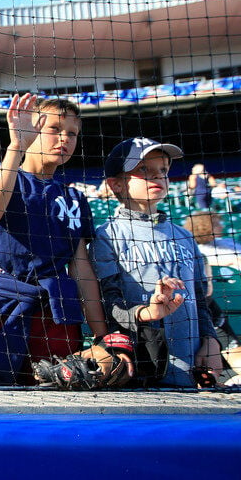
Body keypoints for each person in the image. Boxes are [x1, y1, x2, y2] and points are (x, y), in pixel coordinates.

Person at [0, 93, 112, 387]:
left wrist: (101, 334)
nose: (64, 138)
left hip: (57, 311)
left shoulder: (75, 197)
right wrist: (17, 146)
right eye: (54, 128)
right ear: (31, 129)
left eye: (72, 133)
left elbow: (81, 270)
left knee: (59, 394)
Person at [92, 137, 222, 387]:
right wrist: (145, 313)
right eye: (144, 170)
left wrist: (211, 340)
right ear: (116, 184)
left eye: (163, 170)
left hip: (192, 366)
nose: (157, 177)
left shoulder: (184, 236)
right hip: (139, 368)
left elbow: (201, 300)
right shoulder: (107, 236)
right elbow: (108, 304)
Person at [185, 210, 241, 278]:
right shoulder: (199, 249)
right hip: (237, 277)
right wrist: (232, 261)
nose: (221, 226)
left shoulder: (226, 241)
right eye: (216, 224)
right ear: (204, 227)